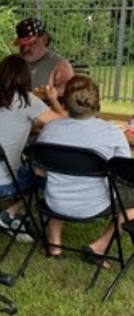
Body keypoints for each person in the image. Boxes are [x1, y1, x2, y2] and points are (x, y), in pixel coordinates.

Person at [0, 54, 65, 238]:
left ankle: (19, 217)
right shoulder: (27, 100)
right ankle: (12, 212)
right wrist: (53, 99)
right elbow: (64, 123)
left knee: (19, 167)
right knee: (44, 175)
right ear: (25, 76)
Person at [36, 76, 131, 263]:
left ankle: (55, 245)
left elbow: (39, 169)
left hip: (54, 201)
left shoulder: (50, 129)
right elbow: (124, 174)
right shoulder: (112, 133)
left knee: (58, 177)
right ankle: (98, 247)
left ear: (66, 102)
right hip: (95, 204)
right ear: (97, 101)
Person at [15, 17, 74, 97]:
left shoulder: (60, 65)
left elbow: (68, 89)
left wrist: (43, 94)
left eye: (31, 43)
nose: (26, 48)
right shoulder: (11, 63)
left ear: (44, 39)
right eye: (22, 45)